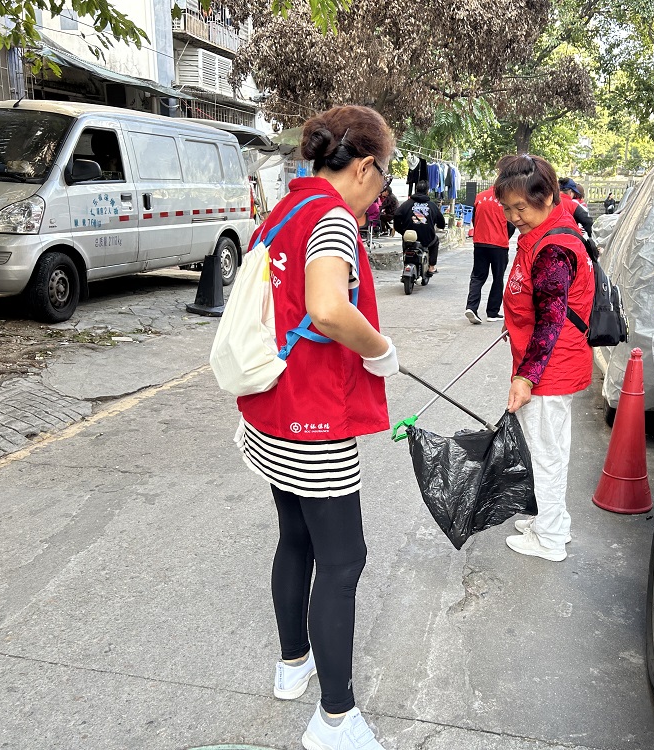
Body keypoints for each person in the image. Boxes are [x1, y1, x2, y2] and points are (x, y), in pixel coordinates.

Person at [233, 105, 397, 750]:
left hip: (272, 406)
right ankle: (335, 718)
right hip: (314, 418)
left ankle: (292, 663)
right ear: (364, 167)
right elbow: (328, 308)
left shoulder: (285, 208)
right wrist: (380, 349)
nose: (379, 193)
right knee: (344, 560)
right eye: (383, 178)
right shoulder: (332, 219)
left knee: (295, 536)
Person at [496, 154, 595, 562]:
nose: (514, 217)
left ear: (548, 197)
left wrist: (526, 377)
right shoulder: (548, 228)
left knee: (545, 452)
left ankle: (550, 538)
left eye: (521, 207)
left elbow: (551, 321)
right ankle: (552, 521)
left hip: (549, 366)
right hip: (550, 361)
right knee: (548, 447)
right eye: (507, 208)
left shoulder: (554, 248)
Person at [464, 185, 515, 324]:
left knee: (477, 276)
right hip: (499, 244)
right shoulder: (506, 198)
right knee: (498, 278)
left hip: (480, 243)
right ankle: (492, 312)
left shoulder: (480, 197)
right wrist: (504, 236)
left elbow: (474, 219)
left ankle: (471, 307)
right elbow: (511, 223)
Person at [394, 178, 445, 273]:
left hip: (410, 238)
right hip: (427, 238)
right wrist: (440, 226)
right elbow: (441, 222)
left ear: (416, 190)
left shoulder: (406, 204)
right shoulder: (432, 206)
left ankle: (406, 265)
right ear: (427, 192)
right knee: (436, 241)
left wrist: (402, 231)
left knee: (406, 241)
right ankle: (431, 267)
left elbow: (396, 216)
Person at [558, 177, 594, 249]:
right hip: (569, 244)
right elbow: (588, 222)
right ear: (570, 191)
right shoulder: (573, 205)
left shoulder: (549, 203)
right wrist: (591, 237)